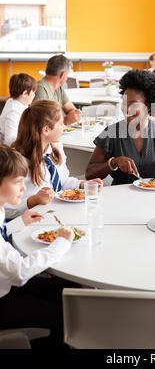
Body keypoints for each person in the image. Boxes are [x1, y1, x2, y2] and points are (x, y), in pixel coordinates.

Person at [0, 144, 75, 348]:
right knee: (68, 315)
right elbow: (20, 272)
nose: (24, 188)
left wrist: (20, 222)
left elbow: (2, 234)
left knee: (70, 290)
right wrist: (61, 242)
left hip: (7, 285)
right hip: (4, 297)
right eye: (17, 182)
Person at [5, 100, 103, 220]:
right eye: (61, 124)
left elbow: (63, 181)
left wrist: (82, 184)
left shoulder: (55, 148)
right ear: (46, 130)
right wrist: (32, 201)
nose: (64, 127)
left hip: (57, 215)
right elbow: (4, 208)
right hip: (29, 223)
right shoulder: (17, 161)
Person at [85, 69, 155, 185]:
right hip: (121, 199)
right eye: (124, 103)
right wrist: (113, 163)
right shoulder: (111, 133)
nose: (126, 109)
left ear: (148, 106)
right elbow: (89, 173)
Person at [33, 54, 81, 125]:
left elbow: (71, 109)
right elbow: (42, 123)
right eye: (67, 75)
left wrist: (74, 115)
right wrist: (66, 120)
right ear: (62, 75)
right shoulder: (41, 89)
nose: (67, 78)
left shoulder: (58, 88)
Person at [0, 73, 37, 146]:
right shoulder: (13, 112)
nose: (34, 95)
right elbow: (10, 140)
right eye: (33, 92)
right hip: (9, 152)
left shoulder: (19, 103)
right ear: (25, 94)